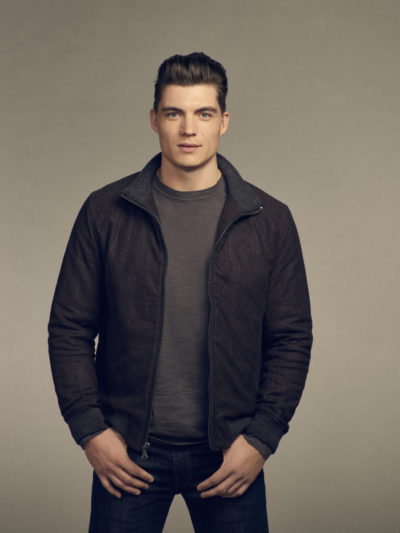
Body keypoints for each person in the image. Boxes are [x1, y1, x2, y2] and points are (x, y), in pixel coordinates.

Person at [48, 52, 312, 533]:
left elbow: (291, 338)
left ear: (224, 121)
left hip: (229, 455)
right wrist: (90, 430)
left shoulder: (269, 220)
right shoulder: (104, 212)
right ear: (154, 119)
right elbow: (69, 328)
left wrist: (261, 439)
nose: (188, 129)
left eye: (203, 113)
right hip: (128, 453)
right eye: (174, 113)